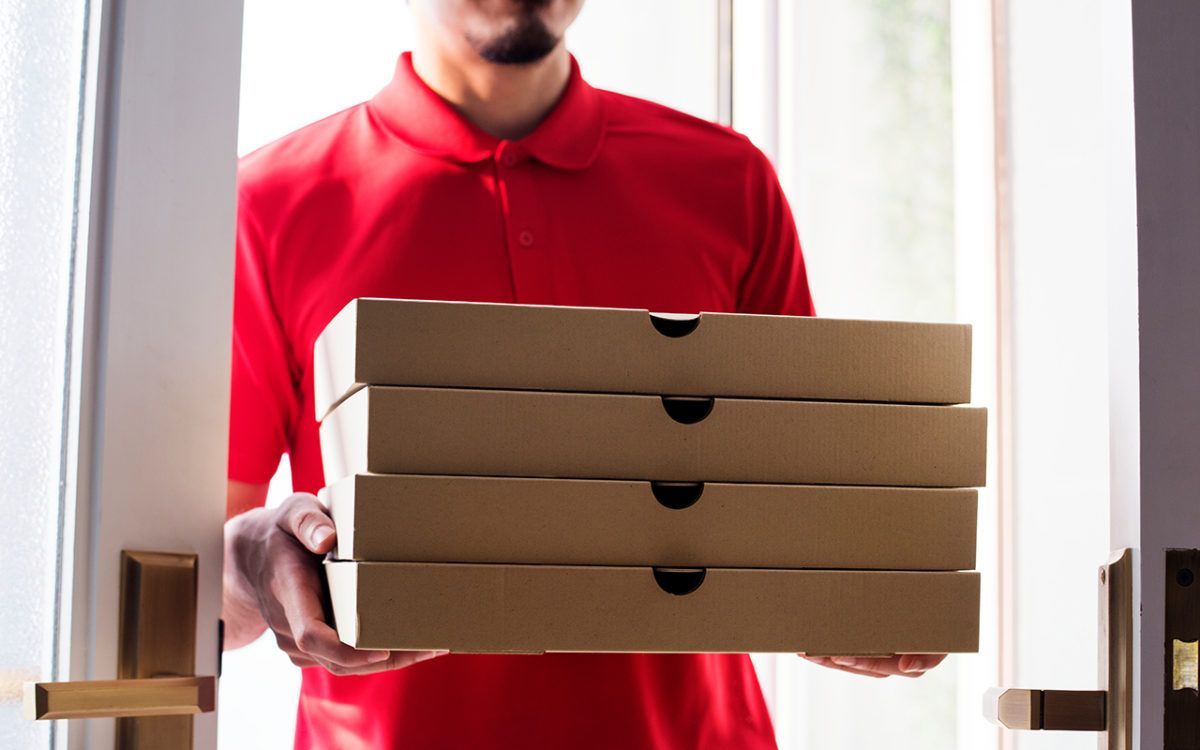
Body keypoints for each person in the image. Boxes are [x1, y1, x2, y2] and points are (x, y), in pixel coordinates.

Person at [222, 1, 946, 747]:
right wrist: (248, 568)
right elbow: (185, 589)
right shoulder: (265, 204)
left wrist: (857, 588)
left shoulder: (728, 183)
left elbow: (802, 499)